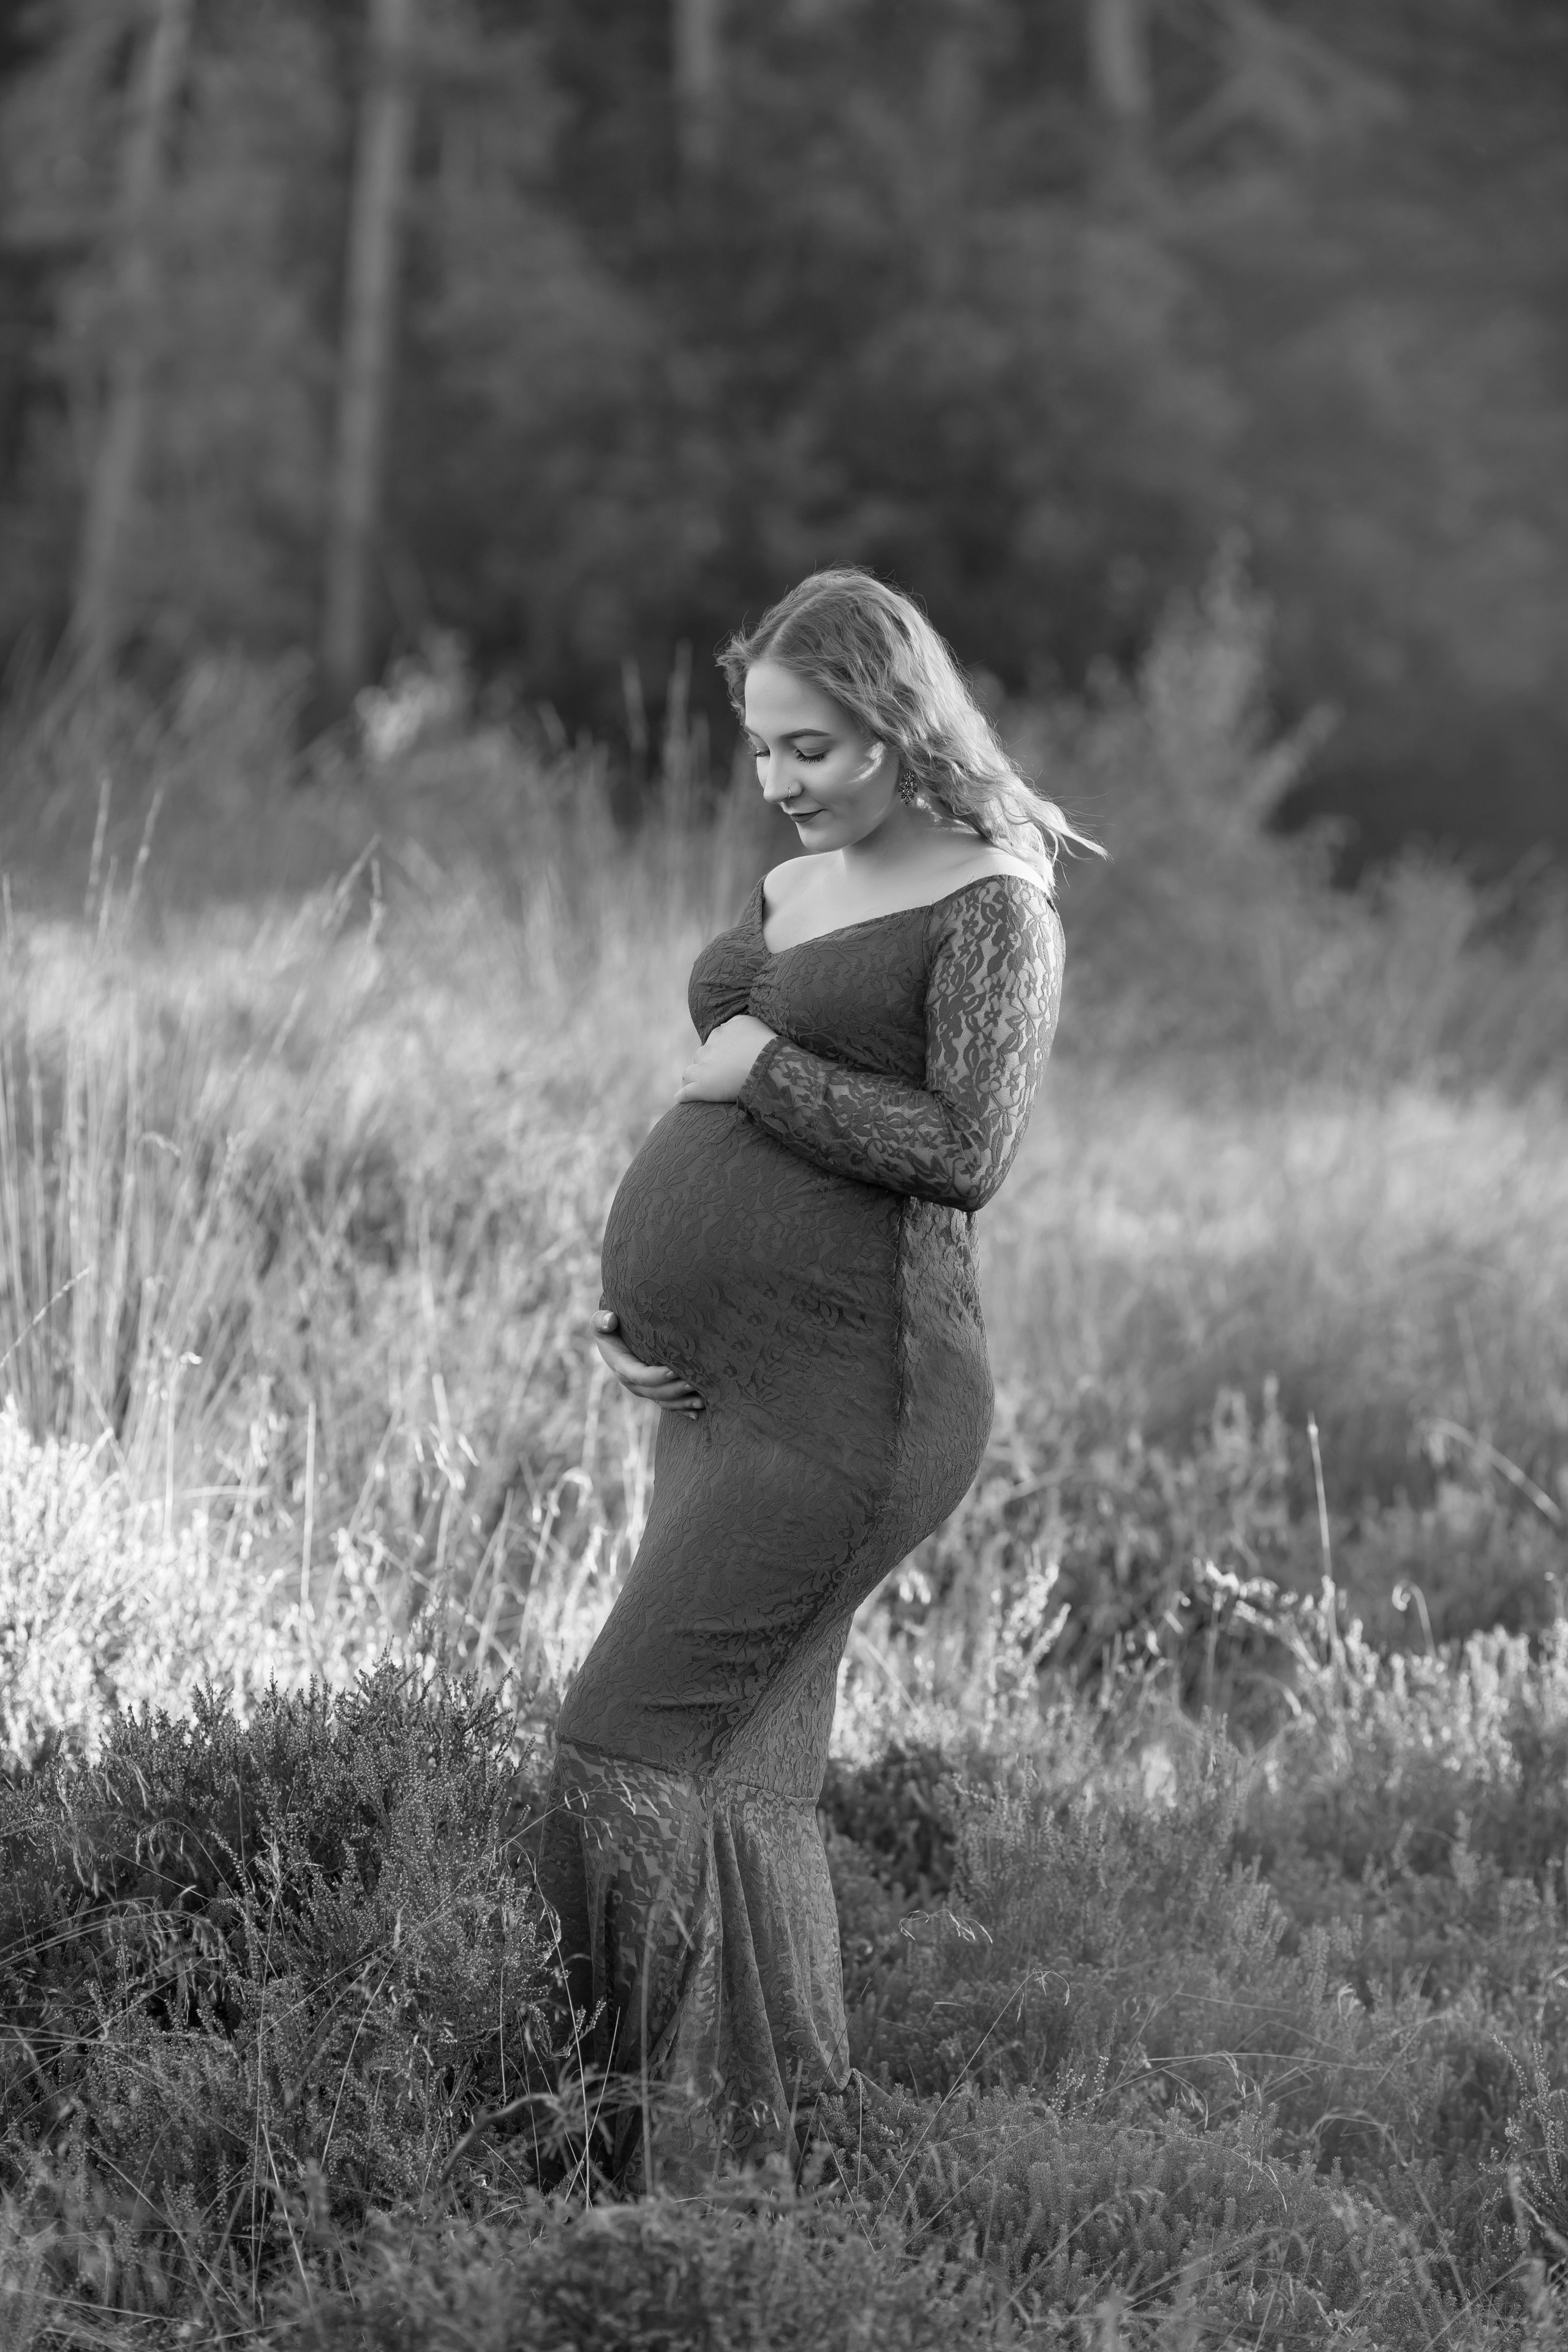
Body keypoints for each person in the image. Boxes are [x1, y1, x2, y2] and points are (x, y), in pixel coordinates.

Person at [536, 567, 1095, 2190]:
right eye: (764, 749)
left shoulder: (997, 905)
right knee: (741, 1776)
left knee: (622, 1743)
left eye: (815, 750)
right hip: (727, 1396)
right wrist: (652, 1313)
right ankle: (754, 2179)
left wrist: (767, 1070)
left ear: (900, 729)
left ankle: (624, 2158)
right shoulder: (796, 884)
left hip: (863, 1398)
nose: (781, 782)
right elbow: (724, 1096)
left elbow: (967, 1151)